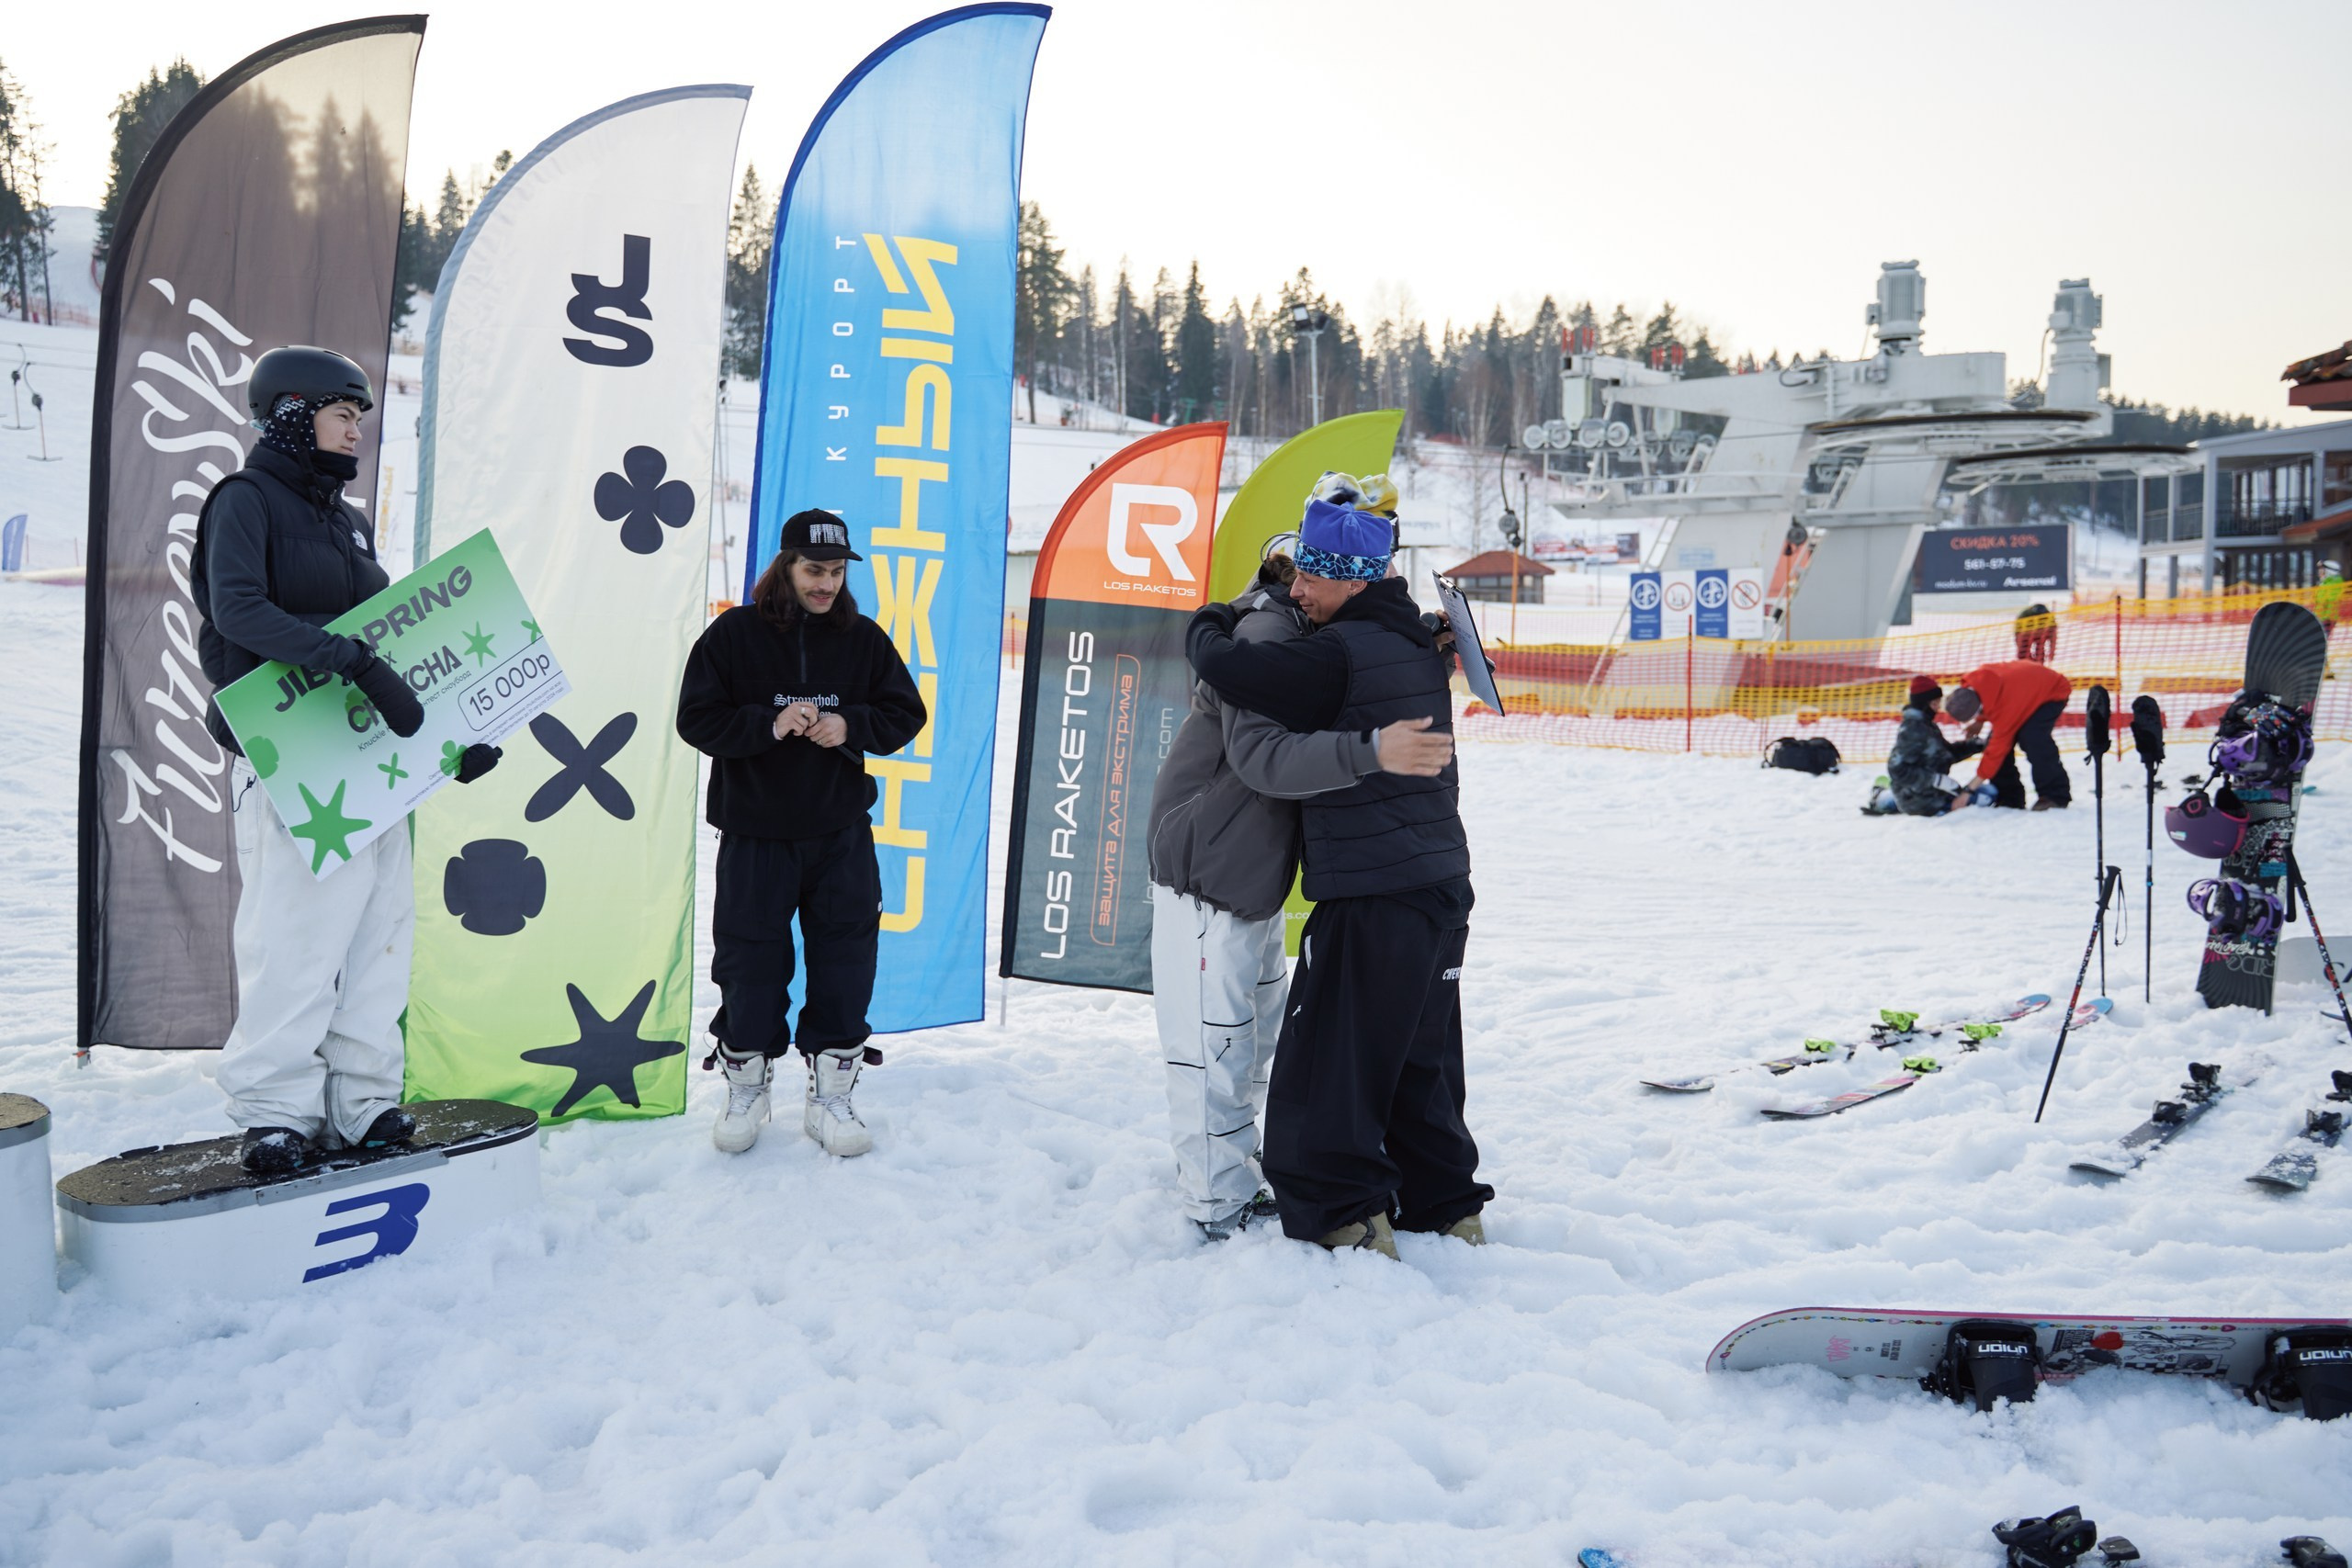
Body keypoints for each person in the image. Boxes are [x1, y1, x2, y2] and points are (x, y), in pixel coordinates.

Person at [192, 345, 500, 1176]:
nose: (357, 428)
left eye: (360, 415)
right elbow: (239, 612)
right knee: (294, 940)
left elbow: (402, 639)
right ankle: (274, 1113)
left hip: (366, 763)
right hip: (291, 759)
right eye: (344, 412)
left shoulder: (345, 520)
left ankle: (362, 1103)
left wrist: (452, 738)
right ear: (293, 414)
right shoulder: (244, 502)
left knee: (377, 938)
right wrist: (354, 663)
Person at [1184, 497, 1490, 1259]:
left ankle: (1343, 1212)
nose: (1298, 591)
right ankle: (1445, 1203)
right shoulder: (1413, 639)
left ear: (1355, 581)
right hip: (1440, 885)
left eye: (1314, 576)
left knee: (1331, 1059)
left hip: (1375, 891)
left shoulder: (1336, 653)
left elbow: (1228, 665)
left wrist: (1211, 618)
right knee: (1420, 1056)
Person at [676, 510, 926, 1157]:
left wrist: (853, 725)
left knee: (846, 958)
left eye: (837, 571)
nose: (827, 584)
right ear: (785, 566)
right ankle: (747, 1087)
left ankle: (831, 1093)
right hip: (755, 832)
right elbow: (696, 719)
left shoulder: (863, 639)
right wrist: (768, 722)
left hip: (839, 831)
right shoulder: (733, 634)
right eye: (815, 570)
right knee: (750, 960)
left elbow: (906, 711)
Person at [1944, 658, 2075, 811]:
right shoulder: (1975, 684)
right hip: (2022, 690)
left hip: (2052, 691)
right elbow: (1985, 699)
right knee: (1996, 744)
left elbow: (1996, 752)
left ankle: (2055, 796)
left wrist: (1969, 790)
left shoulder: (2005, 710)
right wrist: (1980, 720)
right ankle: (2010, 797)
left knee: (2032, 739)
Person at [1884, 676, 1986, 816]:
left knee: (1987, 793)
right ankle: (1885, 799)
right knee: (1985, 797)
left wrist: (1976, 745)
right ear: (1923, 704)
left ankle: (1886, 799)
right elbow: (1897, 770)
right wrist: (1935, 780)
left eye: (1938, 703)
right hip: (1918, 802)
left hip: (1932, 795)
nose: (1938, 709)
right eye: (1934, 704)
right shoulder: (1912, 729)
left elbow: (1946, 754)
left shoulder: (1926, 725)